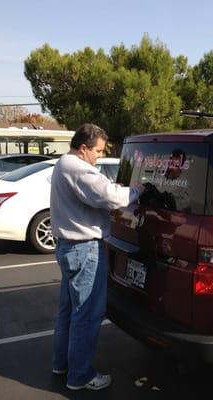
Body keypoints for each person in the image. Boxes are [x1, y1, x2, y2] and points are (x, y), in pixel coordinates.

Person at [50, 123, 144, 391]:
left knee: (69, 311)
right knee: (88, 314)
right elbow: (109, 195)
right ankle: (80, 376)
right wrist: (136, 190)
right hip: (84, 249)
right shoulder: (78, 168)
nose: (99, 156)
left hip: (68, 247)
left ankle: (62, 364)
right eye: (98, 151)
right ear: (83, 148)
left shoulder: (62, 163)